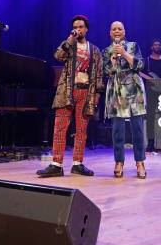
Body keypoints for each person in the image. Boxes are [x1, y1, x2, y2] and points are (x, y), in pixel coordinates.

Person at [37, 15, 104, 178]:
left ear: (86, 29)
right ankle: (56, 164)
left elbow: (99, 75)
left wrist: (96, 95)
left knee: (81, 130)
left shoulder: (94, 50)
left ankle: (77, 164)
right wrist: (69, 39)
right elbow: (58, 56)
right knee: (60, 127)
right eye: (75, 27)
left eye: (81, 27)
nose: (78, 29)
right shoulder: (69, 45)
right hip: (67, 91)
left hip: (86, 92)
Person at [103, 21, 147, 178]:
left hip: (134, 89)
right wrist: (114, 57)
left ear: (124, 31)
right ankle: (119, 162)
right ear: (110, 33)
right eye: (113, 29)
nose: (116, 31)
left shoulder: (134, 45)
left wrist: (125, 53)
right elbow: (107, 71)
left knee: (138, 129)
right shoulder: (107, 51)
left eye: (119, 29)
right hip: (116, 90)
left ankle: (140, 162)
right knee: (117, 130)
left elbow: (140, 64)